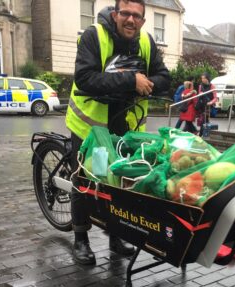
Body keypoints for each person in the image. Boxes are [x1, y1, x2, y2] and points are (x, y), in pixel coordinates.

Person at [65, 0, 170, 265]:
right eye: (126, 14)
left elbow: (164, 78)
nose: (131, 20)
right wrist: (131, 79)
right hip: (90, 127)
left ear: (143, 21)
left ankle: (116, 235)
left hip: (126, 126)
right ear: (115, 15)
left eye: (137, 16)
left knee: (121, 183)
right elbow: (84, 78)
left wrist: (147, 83)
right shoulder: (94, 36)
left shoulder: (146, 42)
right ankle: (80, 239)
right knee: (85, 180)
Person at [197, 72, 217, 136]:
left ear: (207, 79)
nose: (202, 79)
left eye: (204, 78)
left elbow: (215, 97)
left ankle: (201, 134)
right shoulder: (200, 86)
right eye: (202, 78)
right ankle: (206, 133)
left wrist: (211, 102)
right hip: (202, 105)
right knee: (205, 120)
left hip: (208, 106)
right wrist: (199, 94)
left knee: (204, 119)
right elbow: (199, 95)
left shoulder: (212, 86)